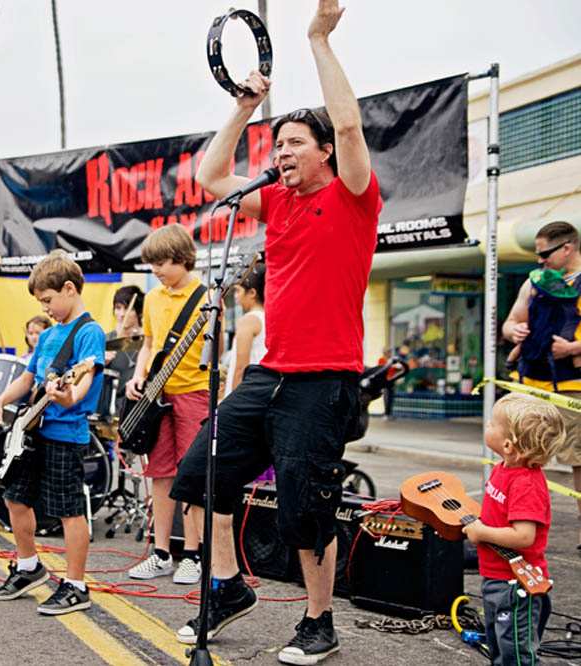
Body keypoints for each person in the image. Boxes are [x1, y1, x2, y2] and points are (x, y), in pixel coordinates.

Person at [170, 2, 382, 661]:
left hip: (326, 378)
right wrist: (243, 106)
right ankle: (229, 586)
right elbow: (209, 178)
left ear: (323, 152)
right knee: (199, 476)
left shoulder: (351, 195)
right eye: (276, 144)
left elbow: (346, 120)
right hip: (271, 373)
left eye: (293, 144)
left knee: (304, 507)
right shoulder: (275, 202)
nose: (280, 153)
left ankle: (319, 620)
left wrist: (317, 38)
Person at [0, 250, 105, 615]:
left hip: (66, 435)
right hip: (33, 430)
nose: (46, 308)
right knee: (15, 498)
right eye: (41, 302)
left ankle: (76, 585)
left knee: (68, 510)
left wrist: (68, 396)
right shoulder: (49, 335)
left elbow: (81, 384)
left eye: (48, 300)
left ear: (69, 288)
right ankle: (28, 566)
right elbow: (27, 377)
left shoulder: (89, 332)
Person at [125, 224, 207, 586]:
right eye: (152, 264)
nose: (156, 270)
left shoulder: (206, 298)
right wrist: (137, 375)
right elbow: (149, 343)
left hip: (195, 393)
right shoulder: (154, 298)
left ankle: (194, 554)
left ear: (182, 258)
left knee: (191, 476)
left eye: (161, 262)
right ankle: (160, 553)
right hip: (157, 396)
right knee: (160, 474)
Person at [463, 393, 564, 665]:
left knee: (516, 655)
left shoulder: (526, 484)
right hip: (496, 578)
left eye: (493, 424)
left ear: (508, 444)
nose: (487, 425)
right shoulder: (502, 469)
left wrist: (481, 532)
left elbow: (524, 536)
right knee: (497, 646)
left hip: (516, 586)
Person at [502, 220, 581, 556]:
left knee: (578, 459)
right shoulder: (532, 283)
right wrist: (513, 333)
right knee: (520, 455)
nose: (540, 260)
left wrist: (574, 349)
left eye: (545, 253)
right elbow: (510, 322)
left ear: (568, 248)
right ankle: (515, 525)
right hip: (530, 384)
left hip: (572, 386)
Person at [224, 261, 266, 396]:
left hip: (244, 394)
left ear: (252, 293)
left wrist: (234, 399)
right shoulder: (267, 318)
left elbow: (241, 367)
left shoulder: (248, 320)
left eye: (238, 291)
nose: (236, 296)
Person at [105, 285, 144, 415]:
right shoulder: (106, 341)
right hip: (111, 410)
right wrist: (101, 362)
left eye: (128, 308)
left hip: (139, 407)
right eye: (118, 308)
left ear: (139, 312)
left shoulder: (148, 342)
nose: (122, 314)